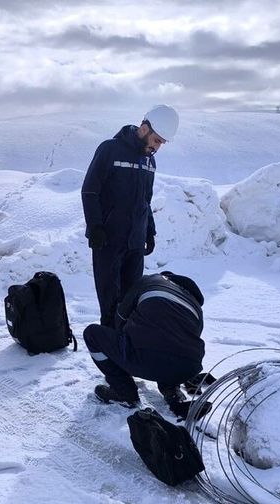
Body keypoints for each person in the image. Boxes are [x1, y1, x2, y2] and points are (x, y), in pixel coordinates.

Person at [81, 105, 179, 328]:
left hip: (135, 242)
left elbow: (146, 200)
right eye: (156, 140)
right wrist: (95, 226)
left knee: (132, 301)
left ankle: (127, 347)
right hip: (108, 240)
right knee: (109, 301)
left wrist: (149, 231)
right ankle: (107, 347)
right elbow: (90, 190)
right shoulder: (109, 150)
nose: (157, 147)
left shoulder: (149, 161)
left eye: (161, 143)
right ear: (144, 129)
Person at [83, 271, 205, 410]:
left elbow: (120, 318)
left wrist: (121, 353)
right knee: (172, 343)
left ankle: (124, 392)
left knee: (92, 334)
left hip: (146, 360)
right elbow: (179, 341)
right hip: (188, 369)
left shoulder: (149, 281)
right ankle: (171, 389)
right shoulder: (196, 307)